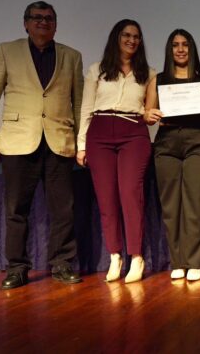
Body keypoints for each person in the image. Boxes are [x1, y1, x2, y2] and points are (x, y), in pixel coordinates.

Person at [0, 1, 83, 289]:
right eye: (36, 18)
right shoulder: (7, 51)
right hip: (17, 142)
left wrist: (81, 142)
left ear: (56, 25)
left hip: (59, 142)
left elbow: (80, 103)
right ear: (25, 23)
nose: (42, 22)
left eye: (49, 18)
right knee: (16, 209)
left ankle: (62, 263)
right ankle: (17, 267)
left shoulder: (71, 56)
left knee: (63, 209)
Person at [76, 19, 156, 283]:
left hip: (133, 133)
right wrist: (81, 145)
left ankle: (136, 257)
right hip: (99, 134)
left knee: (131, 195)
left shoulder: (149, 73)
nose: (132, 40)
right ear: (116, 38)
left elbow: (149, 110)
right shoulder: (97, 70)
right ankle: (114, 256)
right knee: (107, 198)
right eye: (126, 35)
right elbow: (86, 108)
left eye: (136, 36)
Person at [144, 29, 200, 281]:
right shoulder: (157, 80)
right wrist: (148, 115)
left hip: (197, 141)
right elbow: (148, 115)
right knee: (171, 205)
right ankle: (178, 261)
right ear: (169, 49)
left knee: (196, 202)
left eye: (185, 45)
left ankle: (195, 261)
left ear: (192, 49)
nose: (180, 49)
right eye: (175, 45)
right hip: (167, 141)